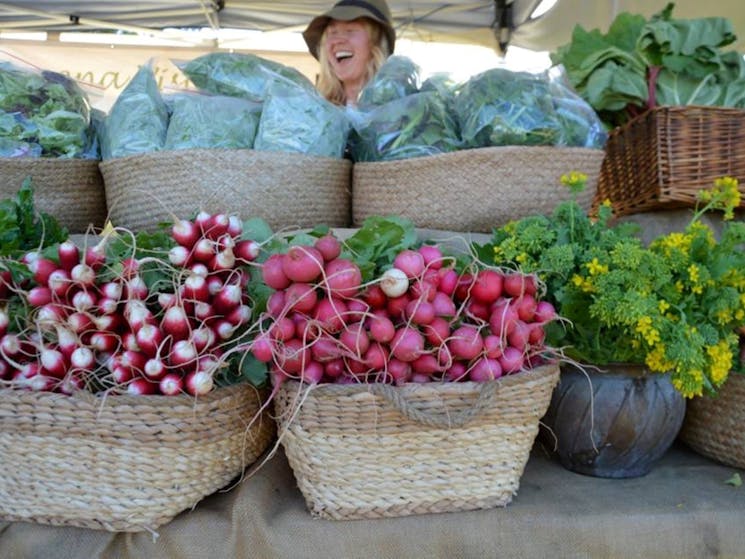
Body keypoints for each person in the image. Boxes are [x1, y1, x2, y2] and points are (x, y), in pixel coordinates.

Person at [303, 0, 395, 106]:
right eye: (332, 33)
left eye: (350, 31)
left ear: (377, 43)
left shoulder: (402, 108)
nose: (337, 40)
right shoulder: (314, 110)